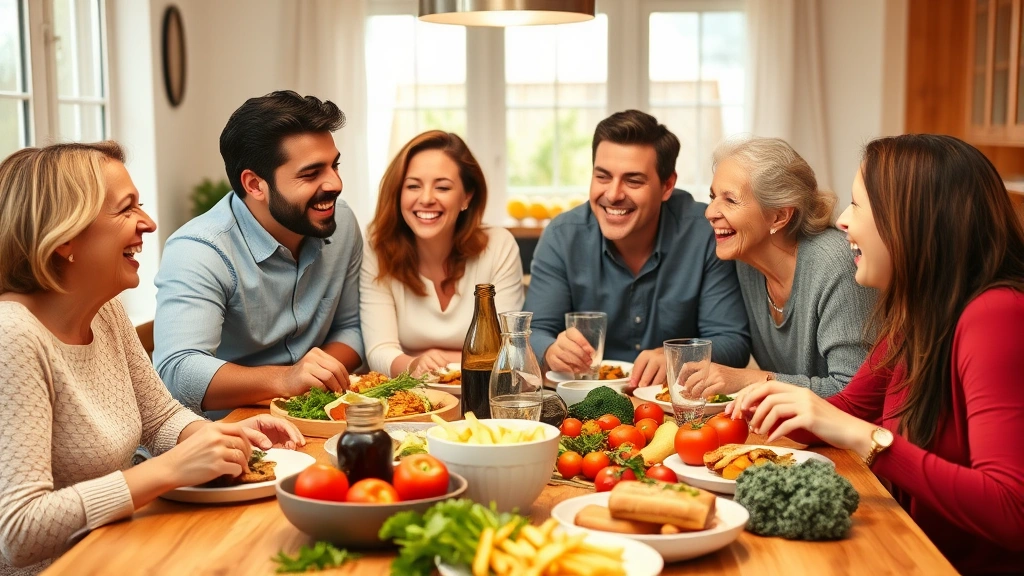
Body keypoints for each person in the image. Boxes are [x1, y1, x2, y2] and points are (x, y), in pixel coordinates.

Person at [0, 142, 304, 575]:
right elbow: (18, 532)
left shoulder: (102, 309)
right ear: (65, 237)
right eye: (127, 210)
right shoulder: (12, 335)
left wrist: (216, 436)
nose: (148, 222)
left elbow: (159, 419)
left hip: (124, 547)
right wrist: (167, 471)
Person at [729, 134, 1024, 574]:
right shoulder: (917, 312)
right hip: (911, 552)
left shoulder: (995, 315)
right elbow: (847, 409)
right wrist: (775, 406)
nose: (843, 222)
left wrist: (863, 436)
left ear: (915, 220)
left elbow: (1012, 510)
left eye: (858, 205)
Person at [154, 91, 363, 418]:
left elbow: (351, 326)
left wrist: (314, 380)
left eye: (334, 166)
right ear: (254, 185)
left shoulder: (342, 221)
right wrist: (285, 379)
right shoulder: (199, 250)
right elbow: (178, 373)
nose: (335, 183)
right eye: (311, 174)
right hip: (227, 433)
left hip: (314, 416)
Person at [524, 110, 750, 387]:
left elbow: (733, 342)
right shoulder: (562, 236)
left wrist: (673, 357)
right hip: (582, 400)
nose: (613, 194)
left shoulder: (705, 232)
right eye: (603, 177)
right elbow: (533, 333)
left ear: (667, 186)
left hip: (674, 403)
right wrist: (550, 350)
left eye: (633, 181)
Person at [696, 136, 875, 398]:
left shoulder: (835, 263)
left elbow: (854, 393)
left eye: (730, 200)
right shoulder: (745, 260)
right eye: (712, 197)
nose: (710, 212)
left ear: (779, 216)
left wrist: (752, 380)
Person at [361, 131, 523, 376]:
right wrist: (414, 364)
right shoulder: (378, 246)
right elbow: (379, 350)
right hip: (412, 395)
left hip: (486, 397)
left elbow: (508, 353)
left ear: (466, 196)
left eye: (443, 187)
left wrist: (437, 361)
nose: (426, 198)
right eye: (413, 186)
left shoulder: (499, 246)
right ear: (397, 193)